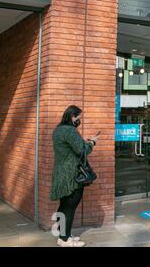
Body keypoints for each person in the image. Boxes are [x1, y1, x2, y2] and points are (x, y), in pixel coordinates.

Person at [50, 105, 99, 247]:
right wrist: (92, 142)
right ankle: (64, 240)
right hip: (72, 175)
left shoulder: (58, 130)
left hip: (61, 173)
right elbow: (82, 150)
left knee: (64, 205)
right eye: (79, 117)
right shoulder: (70, 131)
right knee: (70, 206)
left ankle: (63, 234)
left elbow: (71, 148)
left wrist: (84, 142)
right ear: (72, 117)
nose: (80, 120)